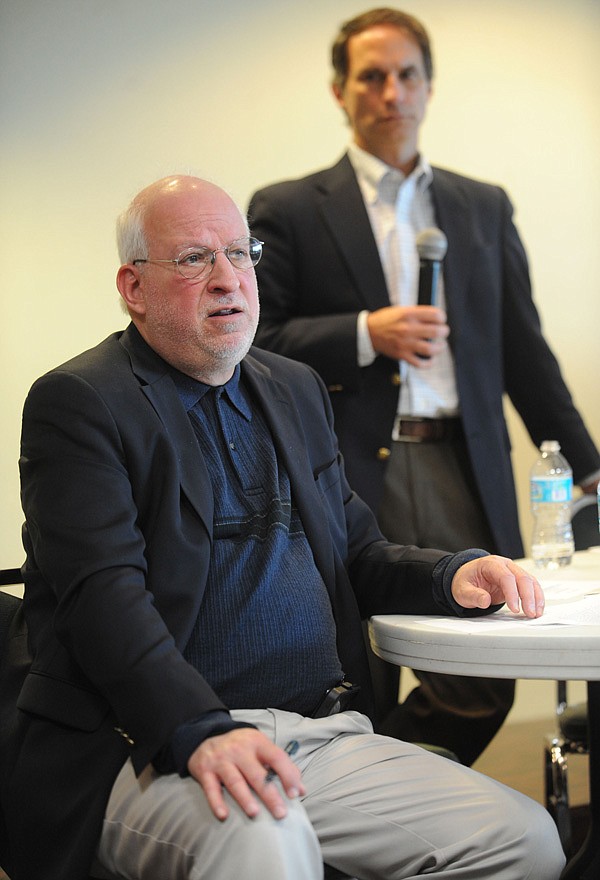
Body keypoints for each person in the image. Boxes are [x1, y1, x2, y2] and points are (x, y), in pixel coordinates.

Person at [0, 174, 566, 880]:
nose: (226, 278)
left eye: (240, 253)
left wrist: (452, 574)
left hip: (318, 735)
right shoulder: (81, 403)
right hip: (144, 740)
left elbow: (356, 552)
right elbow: (102, 600)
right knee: (265, 843)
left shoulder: (291, 387)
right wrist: (198, 730)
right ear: (133, 287)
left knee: (524, 839)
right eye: (193, 259)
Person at [247, 7, 600, 765]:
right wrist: (362, 333)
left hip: (460, 463)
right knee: (359, 666)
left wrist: (587, 461)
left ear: (429, 87)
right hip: (343, 465)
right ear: (340, 92)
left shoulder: (481, 205)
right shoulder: (287, 208)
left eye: (407, 75)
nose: (391, 92)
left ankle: (376, 791)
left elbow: (524, 351)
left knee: (484, 669)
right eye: (371, 76)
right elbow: (254, 341)